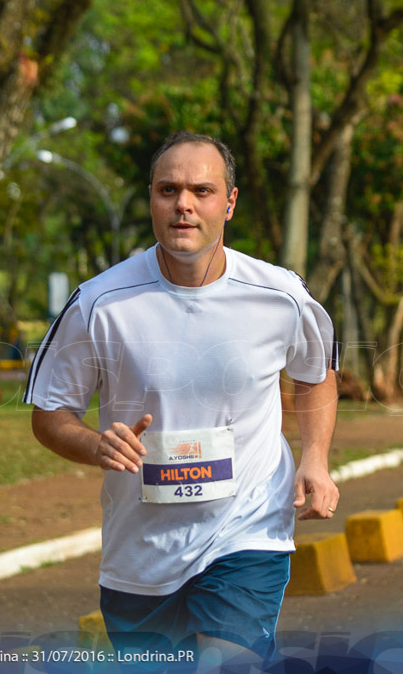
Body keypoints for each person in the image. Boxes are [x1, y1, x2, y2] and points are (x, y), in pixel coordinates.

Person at [26, 132, 339, 663]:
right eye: (168, 190)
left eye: (202, 190)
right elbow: (50, 414)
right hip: (141, 551)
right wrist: (95, 445)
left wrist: (315, 458)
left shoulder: (279, 295)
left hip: (248, 529)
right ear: (151, 198)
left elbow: (316, 373)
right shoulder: (100, 303)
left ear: (230, 202)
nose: (184, 205)